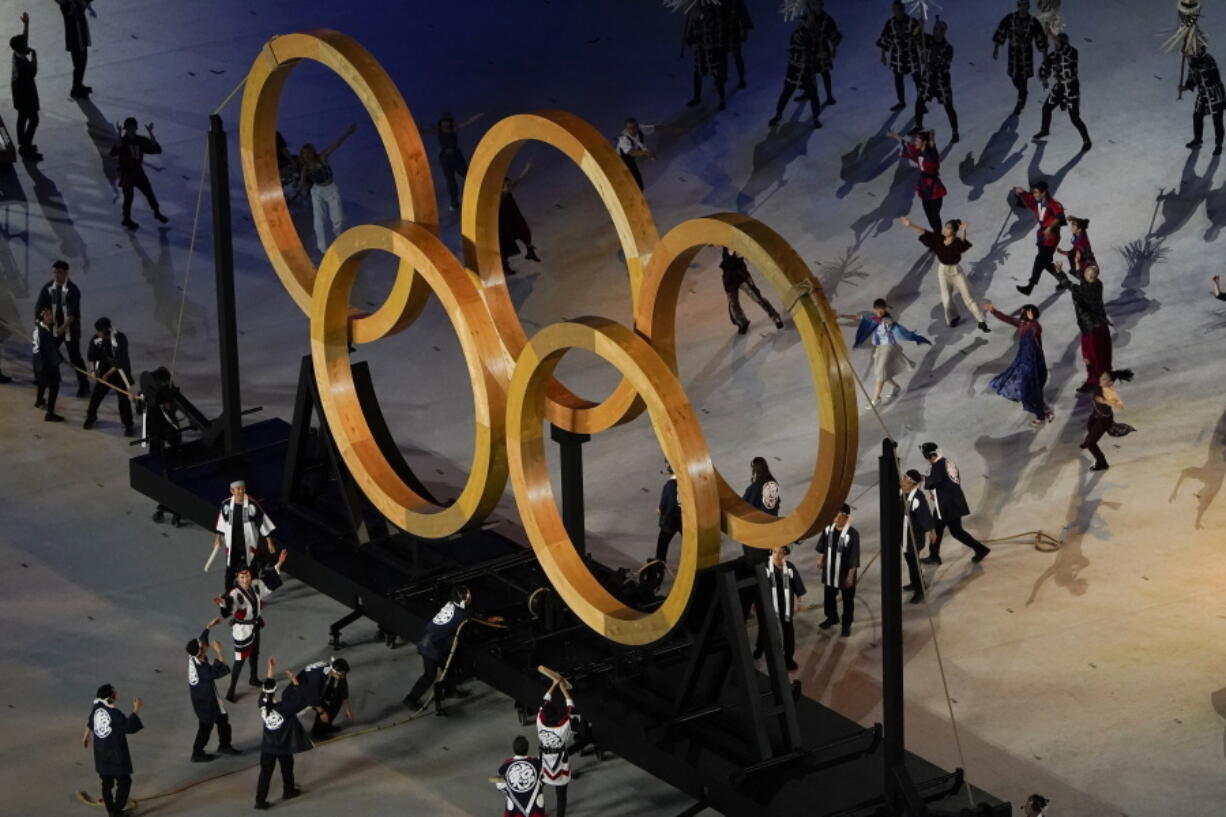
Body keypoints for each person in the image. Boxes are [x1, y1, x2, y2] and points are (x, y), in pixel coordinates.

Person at [403, 584, 504, 714]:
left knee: (449, 667)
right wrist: (493, 620)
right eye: (468, 596)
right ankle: (410, 699)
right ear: (463, 600)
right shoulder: (462, 615)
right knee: (429, 675)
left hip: (432, 640)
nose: (470, 597)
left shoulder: (451, 604)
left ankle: (449, 690)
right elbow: (477, 620)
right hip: (431, 647)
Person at [213, 549, 289, 702]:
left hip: (255, 625)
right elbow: (229, 606)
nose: (245, 579)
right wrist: (221, 602)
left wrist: (279, 562)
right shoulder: (234, 594)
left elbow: (269, 583)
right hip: (242, 630)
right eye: (242, 577)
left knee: (255, 654)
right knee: (240, 660)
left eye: (247, 576)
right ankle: (231, 689)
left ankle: (253, 678)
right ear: (237, 577)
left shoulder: (255, 585)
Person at [899, 216, 990, 332]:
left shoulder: (957, 242)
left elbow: (962, 242)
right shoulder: (939, 239)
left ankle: (981, 320)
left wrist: (963, 230)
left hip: (956, 271)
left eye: (948, 228)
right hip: (942, 271)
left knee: (968, 297)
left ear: (953, 231)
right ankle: (953, 318)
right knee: (946, 298)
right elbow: (925, 232)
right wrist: (910, 224)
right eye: (945, 227)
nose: (945, 230)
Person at [844, 299, 932, 408]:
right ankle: (895, 387)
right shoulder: (871, 317)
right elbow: (856, 317)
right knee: (879, 372)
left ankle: (876, 399)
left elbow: (889, 322)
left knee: (880, 372)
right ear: (875, 309)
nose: (880, 313)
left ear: (885, 310)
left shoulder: (886, 319)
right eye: (878, 311)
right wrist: (841, 316)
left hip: (888, 347)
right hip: (879, 348)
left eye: (882, 311)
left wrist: (882, 319)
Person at [920, 443, 990, 565]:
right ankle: (935, 555)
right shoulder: (947, 462)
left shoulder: (937, 465)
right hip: (953, 502)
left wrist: (923, 478)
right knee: (952, 530)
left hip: (946, 505)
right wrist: (938, 493)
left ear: (928, 456)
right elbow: (948, 482)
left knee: (941, 530)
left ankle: (935, 556)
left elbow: (933, 482)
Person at [985, 300, 1053, 426]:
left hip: (1034, 363)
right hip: (1023, 360)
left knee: (1029, 390)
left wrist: (1033, 320)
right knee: (1029, 390)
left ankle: (1041, 414)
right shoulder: (1023, 323)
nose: (1021, 313)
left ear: (1030, 314)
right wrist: (993, 311)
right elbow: (1007, 319)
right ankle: (1043, 411)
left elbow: (1037, 329)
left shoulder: (1034, 326)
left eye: (1023, 312)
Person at [255, 658, 309, 810]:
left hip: (267, 745)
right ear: (276, 690)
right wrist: (295, 680)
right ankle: (289, 790)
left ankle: (260, 801)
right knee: (286, 768)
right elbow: (301, 700)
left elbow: (267, 687)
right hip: (283, 745)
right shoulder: (284, 708)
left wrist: (270, 670)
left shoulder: (262, 704)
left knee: (265, 774)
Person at [83, 684, 143, 817]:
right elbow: (128, 727)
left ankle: (111, 810)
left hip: (101, 752)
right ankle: (117, 812)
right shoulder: (114, 713)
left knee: (106, 782)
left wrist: (86, 735)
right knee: (124, 781)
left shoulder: (97, 707)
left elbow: (90, 721)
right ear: (111, 697)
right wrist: (136, 709)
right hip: (115, 753)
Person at [186, 617, 241, 762]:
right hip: (206, 703)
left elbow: (201, 639)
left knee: (223, 719)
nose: (205, 644)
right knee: (205, 728)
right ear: (201, 652)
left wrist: (209, 625)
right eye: (203, 645)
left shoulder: (194, 656)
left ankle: (224, 745)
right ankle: (197, 753)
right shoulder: (202, 670)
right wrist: (219, 652)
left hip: (207, 697)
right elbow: (222, 670)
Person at [210, 479, 278, 595]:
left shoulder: (252, 505)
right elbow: (221, 522)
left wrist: (269, 542)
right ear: (232, 491)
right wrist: (218, 538)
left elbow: (262, 522)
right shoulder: (226, 505)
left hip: (248, 544)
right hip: (232, 545)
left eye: (242, 489)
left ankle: (254, 596)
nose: (241, 491)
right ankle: (229, 595)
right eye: (238, 489)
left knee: (252, 570)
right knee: (231, 570)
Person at [297, 124, 357, 255]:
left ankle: (340, 238)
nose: (307, 156)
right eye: (304, 154)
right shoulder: (306, 168)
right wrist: (297, 189)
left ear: (312, 152)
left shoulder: (322, 157)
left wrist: (348, 132)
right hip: (317, 192)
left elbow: (336, 144)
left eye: (308, 153)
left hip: (331, 190)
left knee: (338, 218)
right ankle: (322, 248)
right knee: (319, 220)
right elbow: (301, 184)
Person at [34, 260, 89, 397]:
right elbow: (40, 308)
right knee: (46, 353)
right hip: (53, 327)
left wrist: (61, 330)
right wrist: (45, 320)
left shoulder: (72, 290)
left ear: (66, 273)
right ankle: (42, 379)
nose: (57, 275)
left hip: (70, 329)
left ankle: (84, 385)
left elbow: (71, 316)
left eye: (60, 272)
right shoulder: (48, 288)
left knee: (75, 357)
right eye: (55, 272)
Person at [1057, 258, 1110, 393]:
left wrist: (1060, 272)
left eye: (1085, 272)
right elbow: (1084, 279)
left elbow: (1068, 284)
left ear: (1087, 276)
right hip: (1101, 325)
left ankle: (1095, 382)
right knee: (1103, 355)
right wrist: (1078, 266)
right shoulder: (1098, 284)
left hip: (1090, 328)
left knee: (1090, 358)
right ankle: (1103, 377)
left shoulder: (1082, 290)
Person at [1033, 31, 1091, 151]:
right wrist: (1044, 77)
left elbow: (1063, 48)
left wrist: (1049, 33)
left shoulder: (1072, 52)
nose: (1056, 45)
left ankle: (1086, 140)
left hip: (1071, 87)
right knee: (1046, 108)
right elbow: (1044, 69)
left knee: (1074, 118)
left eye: (1058, 42)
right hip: (1059, 87)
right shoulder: (1053, 56)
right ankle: (1045, 130)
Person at [992, 0, 1048, 117]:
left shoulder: (1033, 22)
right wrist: (996, 48)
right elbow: (1001, 31)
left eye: (1025, 5)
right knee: (1014, 77)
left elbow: (1040, 39)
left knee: (1023, 79)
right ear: (1018, 6)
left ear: (1028, 7)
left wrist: (1044, 56)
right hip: (1013, 52)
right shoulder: (1010, 18)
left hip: (1026, 53)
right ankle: (1023, 93)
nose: (1023, 8)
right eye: (1021, 5)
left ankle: (1020, 103)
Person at [754, 545, 806, 668]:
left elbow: (797, 585)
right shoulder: (765, 568)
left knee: (788, 630)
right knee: (764, 627)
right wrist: (756, 603)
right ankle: (760, 648)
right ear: (771, 552)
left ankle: (788, 657)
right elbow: (758, 587)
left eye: (781, 552)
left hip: (786, 604)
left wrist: (800, 602)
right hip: (769, 604)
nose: (777, 555)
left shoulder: (790, 568)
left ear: (785, 554)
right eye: (775, 552)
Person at [110, 118, 167, 230]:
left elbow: (156, 149)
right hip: (126, 173)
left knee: (149, 193)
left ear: (136, 128)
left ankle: (156, 212)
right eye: (129, 127)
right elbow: (113, 152)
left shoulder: (140, 140)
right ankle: (126, 219)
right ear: (126, 129)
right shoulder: (123, 141)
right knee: (129, 198)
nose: (131, 130)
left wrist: (151, 133)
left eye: (133, 127)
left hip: (138, 172)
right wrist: (118, 135)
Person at [768, 13, 822, 130]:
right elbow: (799, 39)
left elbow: (815, 51)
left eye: (806, 23)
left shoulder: (813, 37)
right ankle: (778, 115)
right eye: (803, 23)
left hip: (807, 71)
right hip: (794, 69)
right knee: (786, 93)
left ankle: (816, 117)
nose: (803, 25)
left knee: (813, 95)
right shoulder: (796, 34)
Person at [887, 128, 946, 234]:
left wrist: (932, 139)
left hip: (934, 188)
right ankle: (937, 235)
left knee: (934, 215)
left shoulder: (931, 154)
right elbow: (906, 144)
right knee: (929, 215)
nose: (915, 142)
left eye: (918, 141)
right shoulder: (917, 151)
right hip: (924, 187)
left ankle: (938, 237)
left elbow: (933, 148)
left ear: (924, 142)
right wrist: (895, 136)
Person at [1012, 180, 1065, 296]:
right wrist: (1020, 192)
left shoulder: (1054, 204)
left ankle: (1030, 286)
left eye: (1036, 192)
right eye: (1034, 192)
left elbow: (1060, 217)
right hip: (1042, 236)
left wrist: (1050, 227)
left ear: (1044, 193)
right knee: (1045, 262)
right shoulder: (1036, 200)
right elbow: (1026, 195)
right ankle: (1064, 281)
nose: (1034, 194)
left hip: (1052, 237)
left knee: (1040, 259)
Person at [84, 317, 134, 435]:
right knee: (96, 396)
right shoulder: (97, 339)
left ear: (104, 330)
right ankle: (91, 416)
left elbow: (119, 362)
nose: (97, 333)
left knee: (123, 399)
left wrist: (106, 375)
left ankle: (128, 424)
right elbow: (92, 356)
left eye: (99, 331)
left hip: (120, 372)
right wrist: (93, 370)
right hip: (104, 371)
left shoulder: (120, 339)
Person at [815, 504, 859, 637]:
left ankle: (846, 624)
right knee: (829, 597)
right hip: (830, 571)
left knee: (847, 599)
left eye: (837, 516)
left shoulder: (852, 534)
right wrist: (820, 558)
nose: (834, 518)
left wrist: (850, 576)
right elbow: (823, 545)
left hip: (845, 572)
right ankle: (832, 617)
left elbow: (854, 557)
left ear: (845, 517)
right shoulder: (828, 529)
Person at [536, 677, 577, 817]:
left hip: (544, 764)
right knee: (561, 795)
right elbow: (571, 707)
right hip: (560, 766)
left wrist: (553, 685)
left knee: (537, 789)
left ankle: (537, 812)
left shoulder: (540, 723)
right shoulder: (563, 727)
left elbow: (544, 701)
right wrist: (563, 688)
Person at [1081, 368, 1135, 471]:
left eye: (1104, 379)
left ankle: (1102, 463)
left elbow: (1120, 405)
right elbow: (1095, 371)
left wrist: (1105, 401)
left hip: (1104, 420)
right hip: (1095, 414)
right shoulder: (1100, 384)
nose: (1101, 379)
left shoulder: (1110, 393)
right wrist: (1089, 363)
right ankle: (1088, 441)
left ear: (1110, 383)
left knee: (1091, 443)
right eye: (1102, 377)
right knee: (1089, 427)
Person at [915, 18, 959, 142]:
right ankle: (918, 125)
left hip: (941, 82)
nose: (935, 31)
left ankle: (955, 131)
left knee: (949, 107)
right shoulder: (927, 39)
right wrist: (920, 25)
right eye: (934, 28)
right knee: (919, 103)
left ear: (943, 31)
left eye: (938, 29)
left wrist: (930, 64)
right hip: (927, 81)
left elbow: (945, 64)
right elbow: (916, 37)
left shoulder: (948, 48)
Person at [721, 248, 784, 333]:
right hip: (729, 279)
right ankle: (742, 323)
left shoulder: (739, 248)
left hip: (742, 276)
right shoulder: (724, 245)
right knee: (733, 304)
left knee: (757, 298)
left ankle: (775, 317)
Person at [430, 111, 483, 211]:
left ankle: (474, 195)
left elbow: (467, 122)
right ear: (440, 123)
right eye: (443, 122)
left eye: (447, 122)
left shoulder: (454, 129)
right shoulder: (438, 131)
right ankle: (454, 203)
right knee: (451, 181)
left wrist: (478, 115)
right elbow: (425, 131)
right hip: (445, 159)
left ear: (450, 122)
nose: (445, 124)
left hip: (456, 156)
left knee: (468, 175)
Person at [683, 1, 728, 111]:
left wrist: (710, 43)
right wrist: (690, 39)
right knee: (697, 74)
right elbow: (692, 38)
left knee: (717, 75)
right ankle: (697, 97)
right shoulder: (696, 22)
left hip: (712, 53)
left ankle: (722, 100)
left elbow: (718, 37)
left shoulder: (715, 21)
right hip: (701, 53)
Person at [877, 1, 921, 112]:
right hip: (897, 56)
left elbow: (920, 39)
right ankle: (901, 102)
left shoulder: (912, 22)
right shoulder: (890, 23)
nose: (897, 12)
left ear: (903, 9)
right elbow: (885, 39)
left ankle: (922, 103)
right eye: (895, 10)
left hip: (911, 55)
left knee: (918, 80)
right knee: (898, 81)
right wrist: (883, 54)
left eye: (899, 9)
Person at [1182, 45, 1226, 155]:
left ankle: (1218, 145)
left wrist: (1193, 63)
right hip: (1203, 94)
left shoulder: (1208, 59)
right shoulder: (1192, 63)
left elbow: (1211, 76)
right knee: (1197, 116)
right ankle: (1197, 140)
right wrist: (1185, 87)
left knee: (1217, 120)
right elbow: (1192, 79)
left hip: (1215, 94)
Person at [296, 658, 353, 740]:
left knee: (335, 702)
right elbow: (312, 695)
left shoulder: (338, 672)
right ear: (335, 672)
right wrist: (321, 711)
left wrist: (347, 709)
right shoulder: (319, 676)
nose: (342, 677)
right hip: (304, 693)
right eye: (341, 675)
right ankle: (316, 733)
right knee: (324, 710)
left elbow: (343, 690)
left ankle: (326, 727)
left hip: (319, 690)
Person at [11, 12, 41, 160]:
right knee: (34, 120)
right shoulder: (22, 63)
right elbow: (33, 71)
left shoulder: (16, 55)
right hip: (26, 96)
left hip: (19, 95)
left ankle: (23, 144)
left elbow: (23, 40)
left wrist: (26, 24)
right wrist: (34, 56)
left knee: (22, 119)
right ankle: (26, 146)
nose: (27, 45)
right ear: (21, 48)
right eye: (25, 45)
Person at [900, 470, 934, 602]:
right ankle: (915, 582)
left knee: (913, 562)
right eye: (903, 480)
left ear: (913, 485)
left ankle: (920, 589)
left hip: (914, 537)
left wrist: (932, 531)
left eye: (906, 482)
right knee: (910, 561)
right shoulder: (902, 492)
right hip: (904, 535)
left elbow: (925, 515)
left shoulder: (917, 498)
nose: (903, 483)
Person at [499, 172, 540, 276]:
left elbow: (516, 184)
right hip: (504, 224)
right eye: (507, 186)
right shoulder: (498, 199)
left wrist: (525, 171)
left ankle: (530, 252)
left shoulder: (507, 193)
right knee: (506, 245)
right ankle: (505, 266)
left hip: (514, 218)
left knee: (524, 232)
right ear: (501, 188)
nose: (510, 187)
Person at [496, 735, 546, 817]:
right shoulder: (537, 763)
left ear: (513, 749)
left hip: (514, 810)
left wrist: (513, 789)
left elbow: (498, 784)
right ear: (527, 749)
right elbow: (543, 779)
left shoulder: (504, 765)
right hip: (535, 809)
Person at [807, 0, 842, 107]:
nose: (815, 7)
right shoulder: (807, 18)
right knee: (808, 74)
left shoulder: (827, 19)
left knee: (825, 73)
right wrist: (808, 22)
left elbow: (834, 35)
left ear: (821, 5)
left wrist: (834, 49)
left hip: (823, 48)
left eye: (817, 4)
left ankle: (829, 95)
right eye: (813, 4)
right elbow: (801, 33)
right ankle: (808, 93)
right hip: (811, 49)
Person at [32, 305, 63, 421]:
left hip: (37, 363)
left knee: (42, 382)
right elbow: (52, 351)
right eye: (47, 315)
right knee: (54, 386)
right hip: (46, 365)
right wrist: (64, 361)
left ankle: (39, 401)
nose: (50, 317)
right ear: (42, 316)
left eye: (50, 314)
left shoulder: (37, 327)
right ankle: (50, 413)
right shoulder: (44, 332)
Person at [54, 0, 90, 98]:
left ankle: (79, 85)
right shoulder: (67, 6)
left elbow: (85, 3)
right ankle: (76, 89)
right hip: (76, 40)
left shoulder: (75, 3)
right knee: (79, 64)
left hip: (80, 37)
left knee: (82, 63)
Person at [720, 0, 752, 90]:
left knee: (737, 56)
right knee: (723, 56)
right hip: (724, 31)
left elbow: (743, 14)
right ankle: (724, 76)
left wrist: (745, 30)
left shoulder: (736, 3)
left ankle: (741, 79)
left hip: (734, 31)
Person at [616, 118, 655, 190]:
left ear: (637, 126)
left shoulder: (640, 129)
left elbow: (655, 128)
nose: (632, 130)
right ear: (627, 129)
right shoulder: (624, 139)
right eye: (630, 128)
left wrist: (672, 128)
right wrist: (645, 152)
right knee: (634, 180)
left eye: (634, 127)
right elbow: (632, 153)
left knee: (637, 182)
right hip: (622, 161)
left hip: (631, 159)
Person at [655, 462, 681, 562]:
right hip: (686, 517)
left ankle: (659, 564)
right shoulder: (684, 481)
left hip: (672, 519)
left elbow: (671, 503)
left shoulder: (670, 485)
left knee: (663, 542)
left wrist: (662, 512)